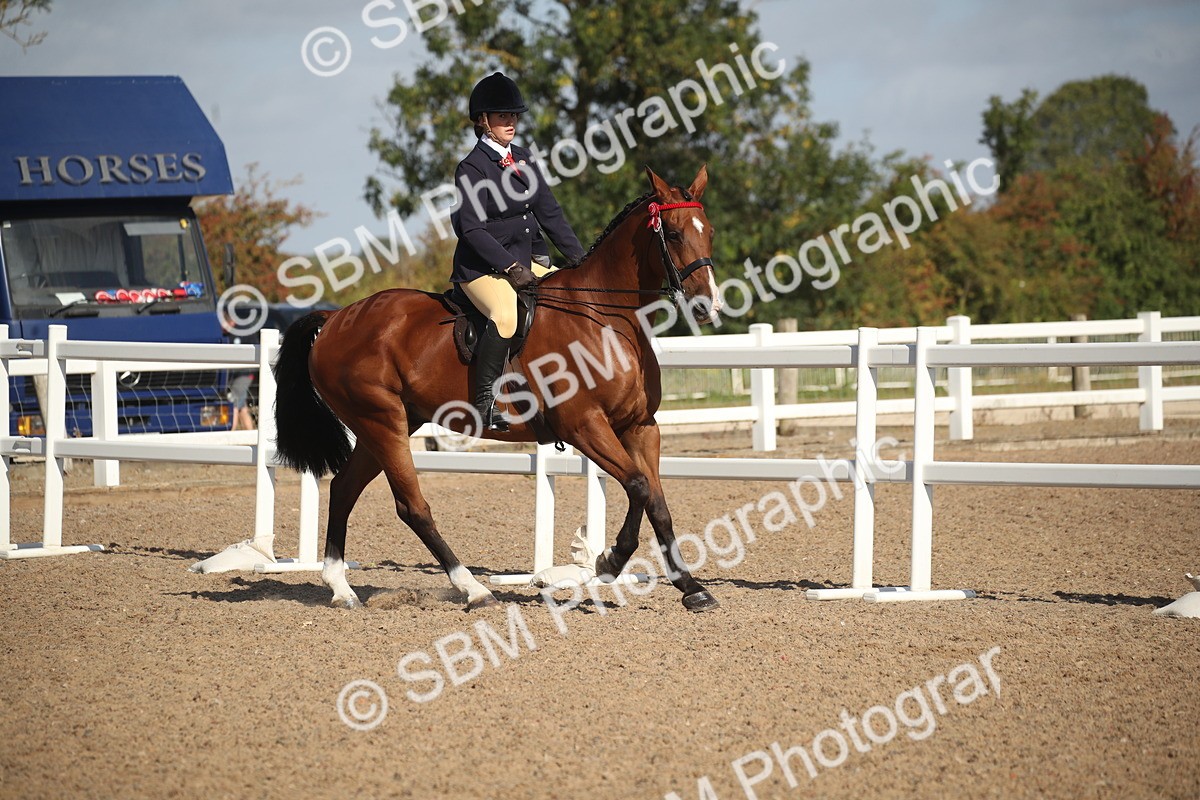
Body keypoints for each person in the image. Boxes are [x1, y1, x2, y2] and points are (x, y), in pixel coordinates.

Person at [451, 71, 586, 432]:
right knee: (506, 314)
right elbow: (472, 229)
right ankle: (483, 402)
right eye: (501, 116)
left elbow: (550, 213)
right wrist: (510, 266)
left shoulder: (524, 158)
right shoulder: (471, 168)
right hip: (481, 269)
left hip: (524, 262)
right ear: (483, 121)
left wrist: (580, 261)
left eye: (513, 115)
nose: (510, 122)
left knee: (568, 298)